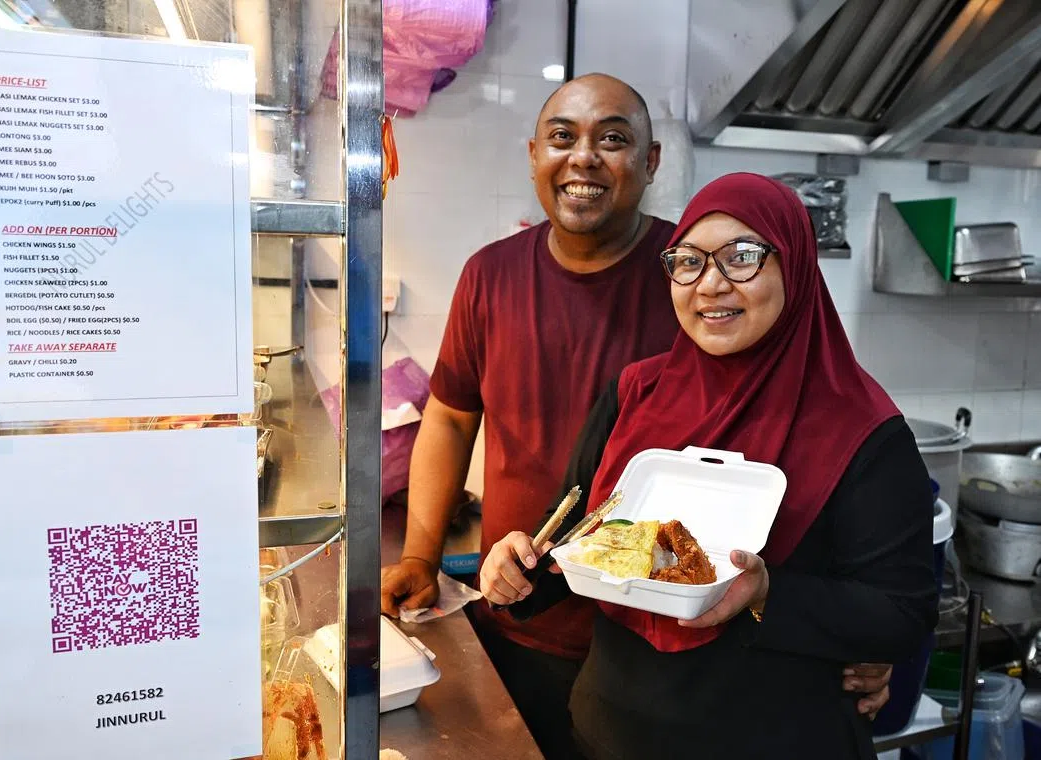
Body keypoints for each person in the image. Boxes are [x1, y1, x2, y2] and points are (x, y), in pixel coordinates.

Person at [379, 73, 892, 759]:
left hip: (699, 662)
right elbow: (452, 420)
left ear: (650, 163)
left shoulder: (701, 285)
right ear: (533, 155)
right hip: (542, 618)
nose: (584, 158)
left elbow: (817, 477)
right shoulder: (499, 281)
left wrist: (844, 631)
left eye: (613, 139)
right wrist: (425, 555)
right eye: (562, 137)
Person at [480, 172, 939, 759]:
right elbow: (574, 536)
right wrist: (518, 571)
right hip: (610, 734)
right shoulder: (636, 393)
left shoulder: (863, 430)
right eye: (689, 262)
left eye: (742, 257)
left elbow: (903, 614)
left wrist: (767, 592)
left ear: (795, 267)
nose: (711, 285)